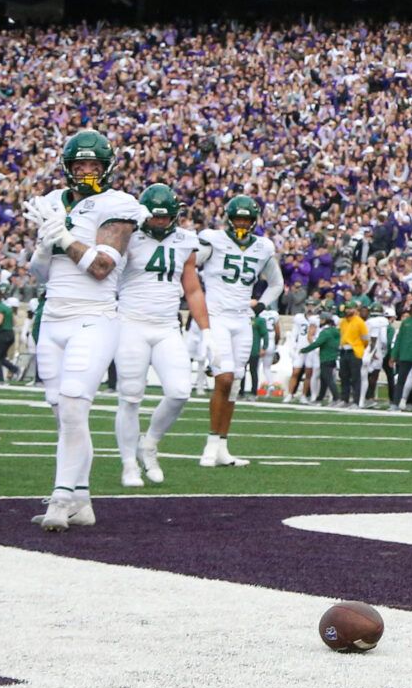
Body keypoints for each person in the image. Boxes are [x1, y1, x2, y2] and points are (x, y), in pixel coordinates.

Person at [25, 131, 147, 531]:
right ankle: (82, 500)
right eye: (80, 166)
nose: (87, 172)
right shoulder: (54, 203)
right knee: (64, 416)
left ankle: (60, 499)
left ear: (107, 167)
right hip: (54, 316)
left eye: (94, 165)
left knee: (76, 404)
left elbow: (101, 267)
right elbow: (37, 274)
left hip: (94, 316)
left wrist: (62, 235)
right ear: (68, 167)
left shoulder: (119, 204)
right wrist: (44, 248)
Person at [112, 183, 212, 488]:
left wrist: (206, 329)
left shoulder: (185, 241)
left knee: (180, 391)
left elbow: (192, 288)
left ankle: (150, 445)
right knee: (130, 397)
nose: (159, 222)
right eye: (155, 217)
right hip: (130, 323)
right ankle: (129, 464)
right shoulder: (128, 236)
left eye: (164, 217)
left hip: (167, 326)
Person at [190, 193, 283, 468]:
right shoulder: (213, 239)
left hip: (242, 321)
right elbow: (189, 264)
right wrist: (196, 293)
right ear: (228, 219)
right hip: (217, 317)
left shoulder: (263, 247)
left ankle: (222, 446)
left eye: (246, 218)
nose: (242, 223)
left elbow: (276, 284)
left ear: (254, 221)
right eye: (238, 218)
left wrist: (259, 307)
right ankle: (209, 444)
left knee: (235, 386)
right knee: (224, 379)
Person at [300, 313, 341, 404]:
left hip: (325, 357)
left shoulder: (325, 332)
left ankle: (336, 398)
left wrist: (304, 350)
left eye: (321, 319)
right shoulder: (335, 330)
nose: (320, 321)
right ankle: (319, 399)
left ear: (325, 320)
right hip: (333, 357)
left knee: (328, 379)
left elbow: (317, 343)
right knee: (324, 379)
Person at [338, 303, 367, 405]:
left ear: (354, 309)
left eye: (350, 308)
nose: (347, 311)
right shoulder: (343, 322)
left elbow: (365, 339)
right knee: (344, 376)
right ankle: (344, 399)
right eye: (346, 309)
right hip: (344, 351)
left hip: (355, 351)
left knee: (355, 378)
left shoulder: (359, 322)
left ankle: (356, 401)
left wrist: (359, 347)